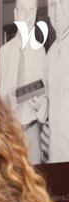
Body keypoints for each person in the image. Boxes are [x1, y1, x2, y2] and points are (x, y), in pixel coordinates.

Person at [0, 0, 47, 163]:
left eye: (31, 10)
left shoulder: (41, 53)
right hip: (9, 135)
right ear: (15, 14)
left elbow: (46, 96)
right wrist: (8, 99)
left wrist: (40, 104)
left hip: (32, 133)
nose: (26, 16)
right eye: (22, 10)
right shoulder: (3, 54)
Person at [47, 0, 69, 162]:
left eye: (62, 2)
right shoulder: (51, 53)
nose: (56, 11)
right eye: (52, 4)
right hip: (56, 152)